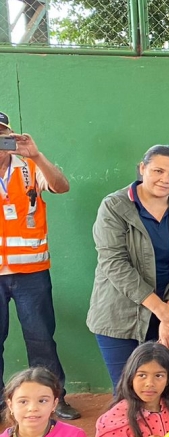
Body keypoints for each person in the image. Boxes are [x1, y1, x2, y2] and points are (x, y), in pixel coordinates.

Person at [88, 145, 169, 405]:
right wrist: (161, 311)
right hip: (119, 318)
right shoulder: (114, 206)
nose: (165, 179)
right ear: (142, 169)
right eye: (158, 171)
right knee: (129, 396)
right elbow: (113, 262)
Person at [0, 112, 78, 419]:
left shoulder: (30, 166)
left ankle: (53, 401)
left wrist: (37, 154)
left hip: (31, 273)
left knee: (41, 339)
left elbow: (61, 186)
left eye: (2, 135)